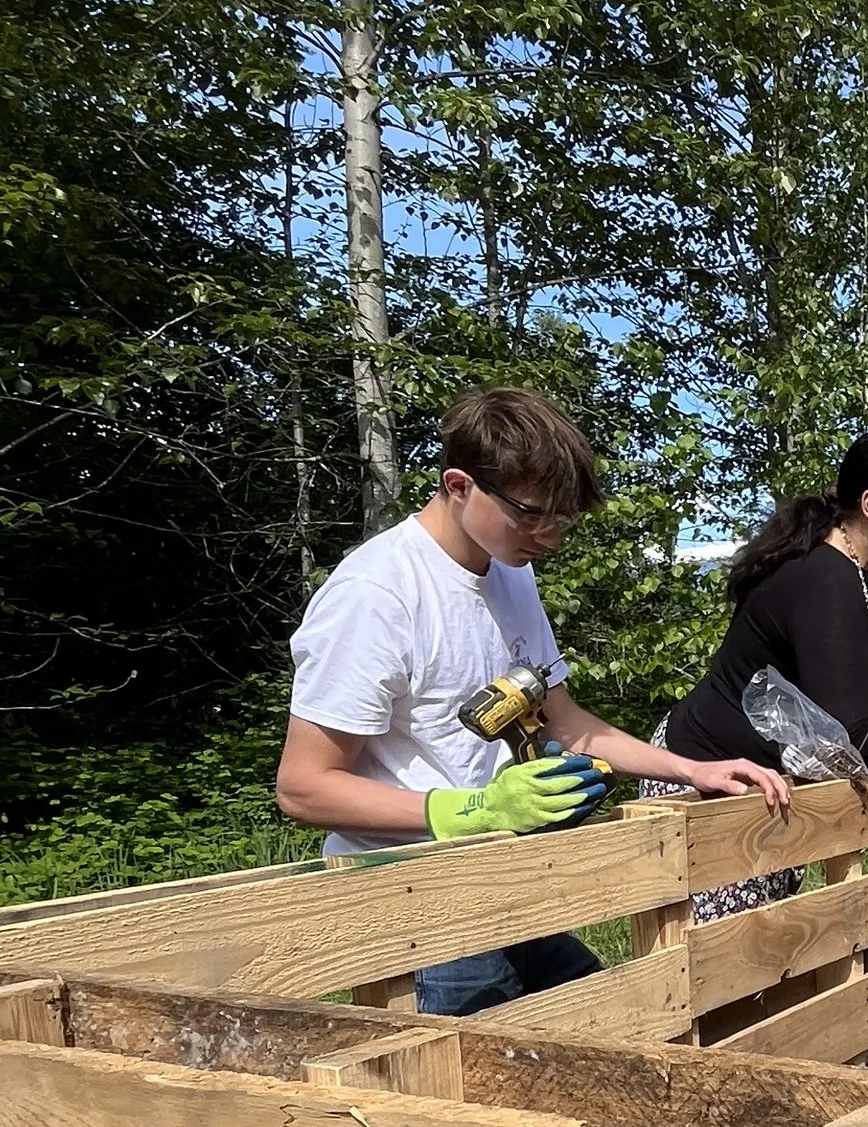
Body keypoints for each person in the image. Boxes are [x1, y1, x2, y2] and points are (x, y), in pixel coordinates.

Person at [277, 387, 789, 1016]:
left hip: (506, 879)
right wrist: (475, 812)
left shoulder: (510, 572)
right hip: (417, 901)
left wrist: (691, 768)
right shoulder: (375, 595)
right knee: (475, 1093)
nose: (547, 536)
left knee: (611, 1024)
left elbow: (560, 716)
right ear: (459, 484)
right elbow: (303, 788)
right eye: (530, 513)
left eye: (561, 518)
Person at [662, 430, 868, 845]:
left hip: (766, 778)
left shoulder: (864, 566)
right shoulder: (823, 579)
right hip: (705, 772)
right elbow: (852, 730)